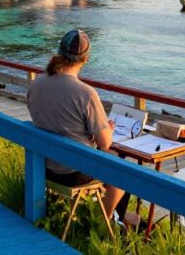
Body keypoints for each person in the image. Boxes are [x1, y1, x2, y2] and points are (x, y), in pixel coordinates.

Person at [26, 30, 140, 229]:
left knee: (113, 162)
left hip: (44, 165)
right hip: (72, 171)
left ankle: (110, 219)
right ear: (85, 59)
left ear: (59, 51)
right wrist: (105, 130)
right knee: (125, 172)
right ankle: (102, 224)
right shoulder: (85, 93)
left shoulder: (37, 83)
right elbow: (105, 143)